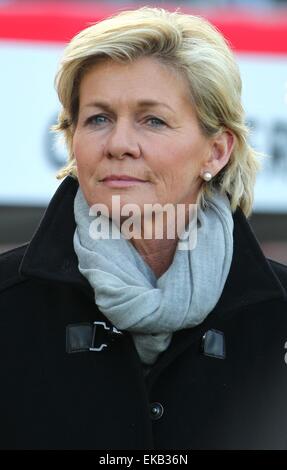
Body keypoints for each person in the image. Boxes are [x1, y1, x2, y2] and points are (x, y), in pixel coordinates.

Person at [0, 6, 287, 450]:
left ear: (216, 151)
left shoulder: (277, 314)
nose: (118, 144)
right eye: (98, 118)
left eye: (152, 120)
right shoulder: (8, 302)